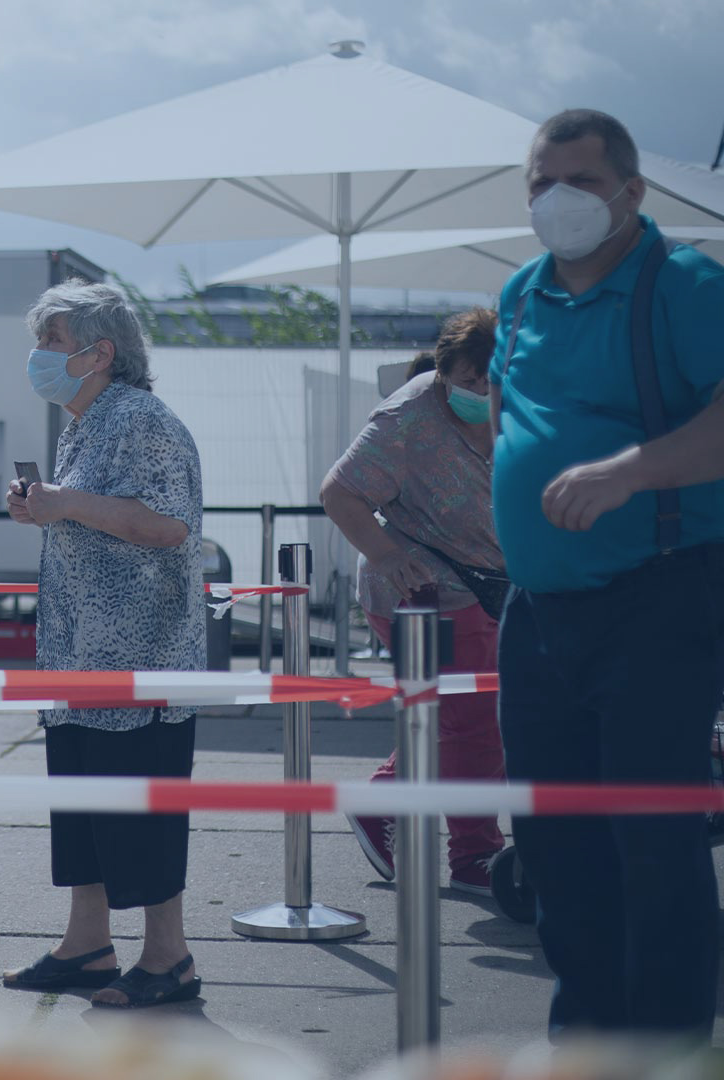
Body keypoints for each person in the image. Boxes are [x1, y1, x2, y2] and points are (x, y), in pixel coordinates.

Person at [491, 109, 724, 1040]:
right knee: (553, 838)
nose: (558, 201)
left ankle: (667, 1049)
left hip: (660, 592)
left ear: (632, 192)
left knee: (651, 836)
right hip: (538, 605)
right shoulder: (518, 291)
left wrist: (626, 472)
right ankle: (584, 1043)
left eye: (580, 183)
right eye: (541, 183)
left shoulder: (685, 282)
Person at [2, 281, 204, 1009]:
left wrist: (67, 504)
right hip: (80, 660)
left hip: (139, 662)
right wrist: (47, 508)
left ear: (100, 352)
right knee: (86, 809)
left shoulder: (140, 418)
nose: (39, 356)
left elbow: (170, 524)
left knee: (138, 812)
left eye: (51, 342)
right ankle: (87, 945)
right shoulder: (83, 422)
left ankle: (168, 957)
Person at [321, 309, 507, 894]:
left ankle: (383, 806)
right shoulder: (408, 414)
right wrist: (386, 554)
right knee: (472, 722)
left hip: (487, 586)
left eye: (489, 380)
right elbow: (340, 492)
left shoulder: (521, 398)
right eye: (466, 382)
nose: (479, 393)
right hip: (418, 592)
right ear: (443, 372)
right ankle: (476, 853)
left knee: (452, 716)